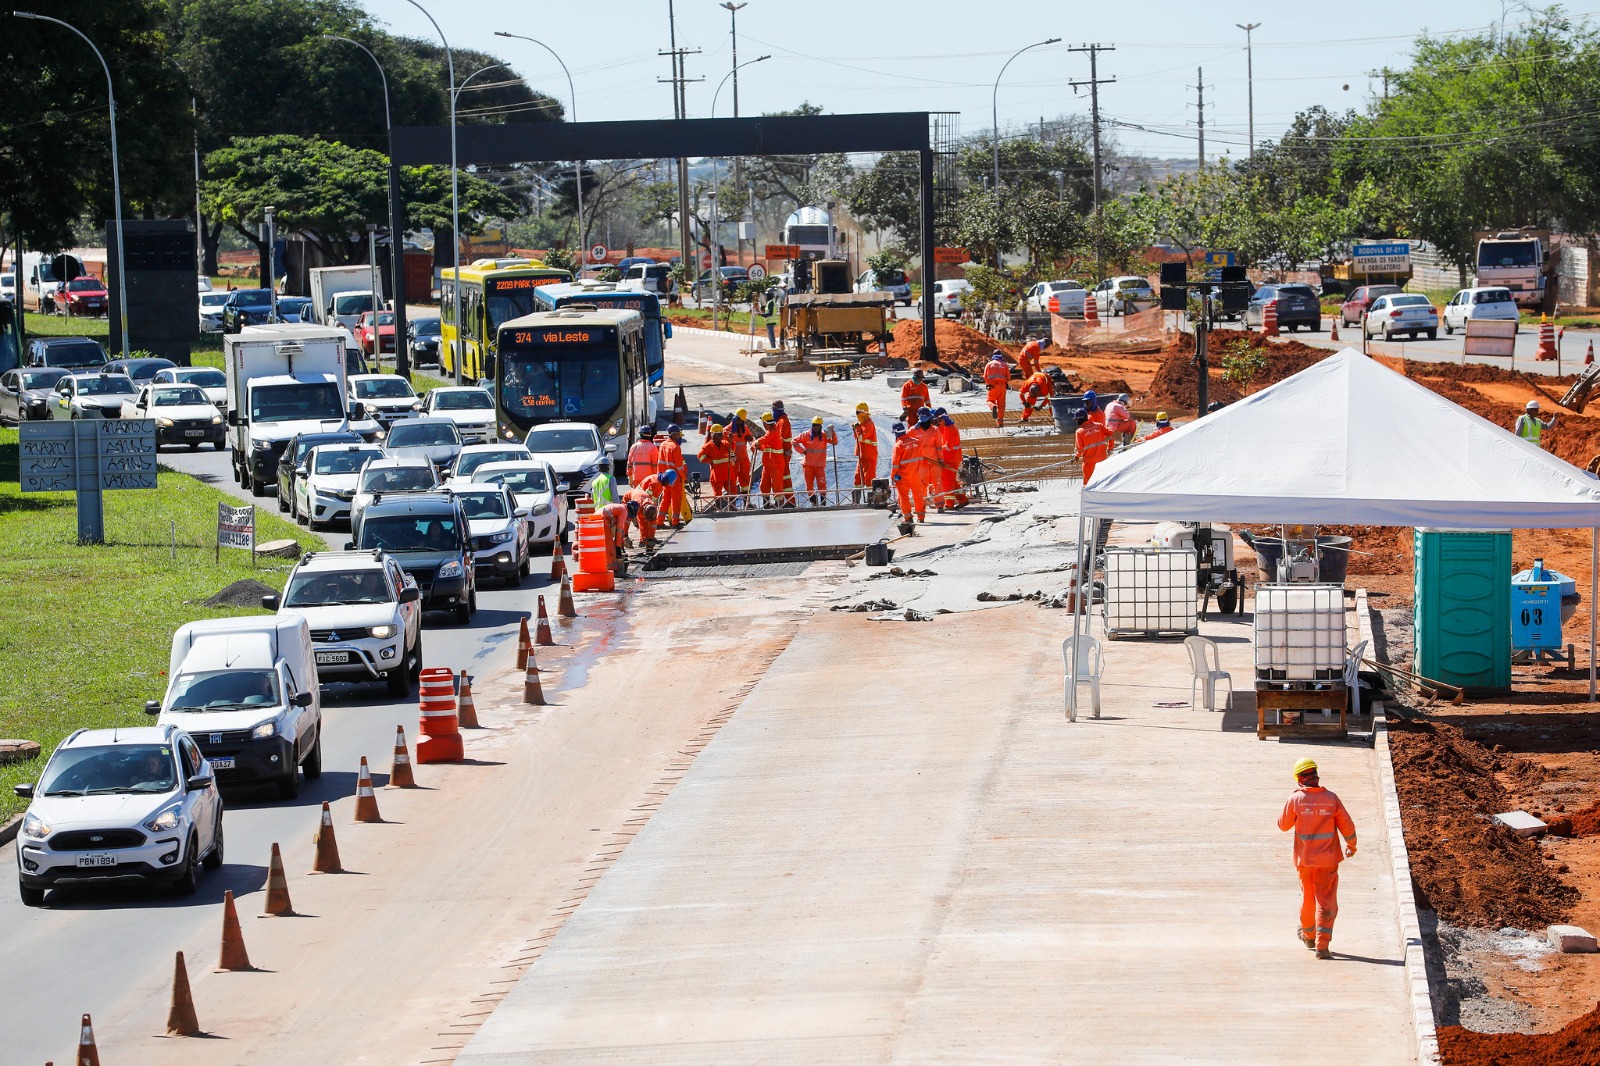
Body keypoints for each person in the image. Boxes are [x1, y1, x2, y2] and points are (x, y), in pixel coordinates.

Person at [1277, 757, 1357, 960]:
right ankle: (1322, 945)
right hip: (1328, 861)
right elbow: (1346, 825)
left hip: (1305, 861)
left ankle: (1308, 935)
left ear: (1298, 779)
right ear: (1316, 775)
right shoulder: (1331, 799)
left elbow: (1283, 825)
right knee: (1326, 901)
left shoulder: (1295, 799)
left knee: (1307, 899)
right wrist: (1351, 845)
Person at [890, 421, 929, 522]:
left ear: (895, 432)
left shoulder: (898, 445)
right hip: (915, 474)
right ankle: (921, 517)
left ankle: (908, 517)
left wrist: (893, 476)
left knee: (903, 496)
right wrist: (916, 470)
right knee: (918, 495)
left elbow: (895, 464)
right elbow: (921, 459)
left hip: (902, 476)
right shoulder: (917, 442)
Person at [797, 415, 837, 505]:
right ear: (812, 425)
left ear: (821, 426)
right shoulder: (806, 435)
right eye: (815, 425)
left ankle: (823, 504)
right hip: (808, 465)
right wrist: (802, 451)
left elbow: (835, 442)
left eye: (818, 426)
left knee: (822, 485)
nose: (816, 427)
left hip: (819, 465)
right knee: (809, 485)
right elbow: (794, 441)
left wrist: (833, 432)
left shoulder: (823, 435)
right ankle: (814, 503)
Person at [696, 424, 737, 505]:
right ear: (712, 435)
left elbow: (732, 450)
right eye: (719, 434)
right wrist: (710, 461)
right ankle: (719, 510)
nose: (721, 436)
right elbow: (700, 457)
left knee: (732, 492)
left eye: (721, 434)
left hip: (728, 474)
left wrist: (731, 440)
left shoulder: (725, 443)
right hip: (717, 476)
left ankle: (733, 508)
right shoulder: (707, 447)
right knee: (717, 494)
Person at [935, 409, 966, 510]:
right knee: (953, 482)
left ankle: (949, 503)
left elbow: (948, 447)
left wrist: (938, 448)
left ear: (942, 419)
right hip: (953, 457)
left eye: (939, 420)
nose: (939, 423)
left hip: (950, 459)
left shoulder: (949, 429)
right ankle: (963, 499)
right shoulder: (951, 427)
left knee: (947, 482)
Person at [656, 429, 688, 528]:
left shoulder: (663, 445)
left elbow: (660, 462)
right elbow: (679, 466)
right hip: (675, 478)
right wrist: (684, 478)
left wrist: (660, 476)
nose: (680, 437)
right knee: (676, 500)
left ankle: (659, 522)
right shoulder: (675, 447)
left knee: (665, 499)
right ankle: (675, 522)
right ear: (674, 434)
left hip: (665, 478)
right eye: (678, 434)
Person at [756, 412, 788, 508]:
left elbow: (765, 439)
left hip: (776, 464)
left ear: (765, 423)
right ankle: (766, 504)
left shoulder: (773, 432)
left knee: (777, 486)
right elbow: (767, 447)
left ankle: (779, 505)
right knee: (764, 485)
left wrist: (756, 442)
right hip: (768, 464)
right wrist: (759, 447)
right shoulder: (771, 432)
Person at [771, 400, 798, 507]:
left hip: (782, 454)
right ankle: (788, 501)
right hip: (781, 453)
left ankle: (787, 502)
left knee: (783, 477)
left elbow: (779, 438)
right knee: (783, 477)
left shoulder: (783, 421)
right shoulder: (780, 420)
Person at [851, 402, 879, 503]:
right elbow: (857, 437)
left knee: (869, 478)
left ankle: (871, 500)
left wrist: (857, 429)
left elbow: (862, 437)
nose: (857, 415)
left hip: (869, 454)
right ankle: (856, 500)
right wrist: (856, 429)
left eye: (858, 413)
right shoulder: (862, 424)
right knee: (858, 477)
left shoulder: (869, 424)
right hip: (862, 455)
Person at [726, 407, 757, 496]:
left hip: (744, 458)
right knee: (732, 481)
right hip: (733, 460)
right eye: (740, 420)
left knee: (745, 480)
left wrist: (753, 446)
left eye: (742, 421)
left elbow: (752, 442)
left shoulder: (745, 429)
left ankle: (746, 501)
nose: (741, 422)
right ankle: (732, 504)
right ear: (735, 419)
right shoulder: (727, 430)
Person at [1074, 413, 1111, 484]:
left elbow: (1080, 448)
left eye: (1076, 419)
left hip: (1089, 463)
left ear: (1079, 419)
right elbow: (1110, 434)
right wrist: (1110, 447)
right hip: (1102, 461)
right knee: (1104, 482)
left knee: (1088, 484)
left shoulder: (1079, 431)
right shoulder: (1099, 425)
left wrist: (1077, 456)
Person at [983, 351, 1011, 426]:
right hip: (1002, 386)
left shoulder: (989, 364)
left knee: (990, 400)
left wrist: (988, 383)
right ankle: (1000, 422)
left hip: (992, 386)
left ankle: (993, 407)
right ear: (1000, 355)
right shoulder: (1004, 365)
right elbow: (1008, 377)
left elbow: (985, 376)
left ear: (993, 355)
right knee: (1001, 404)